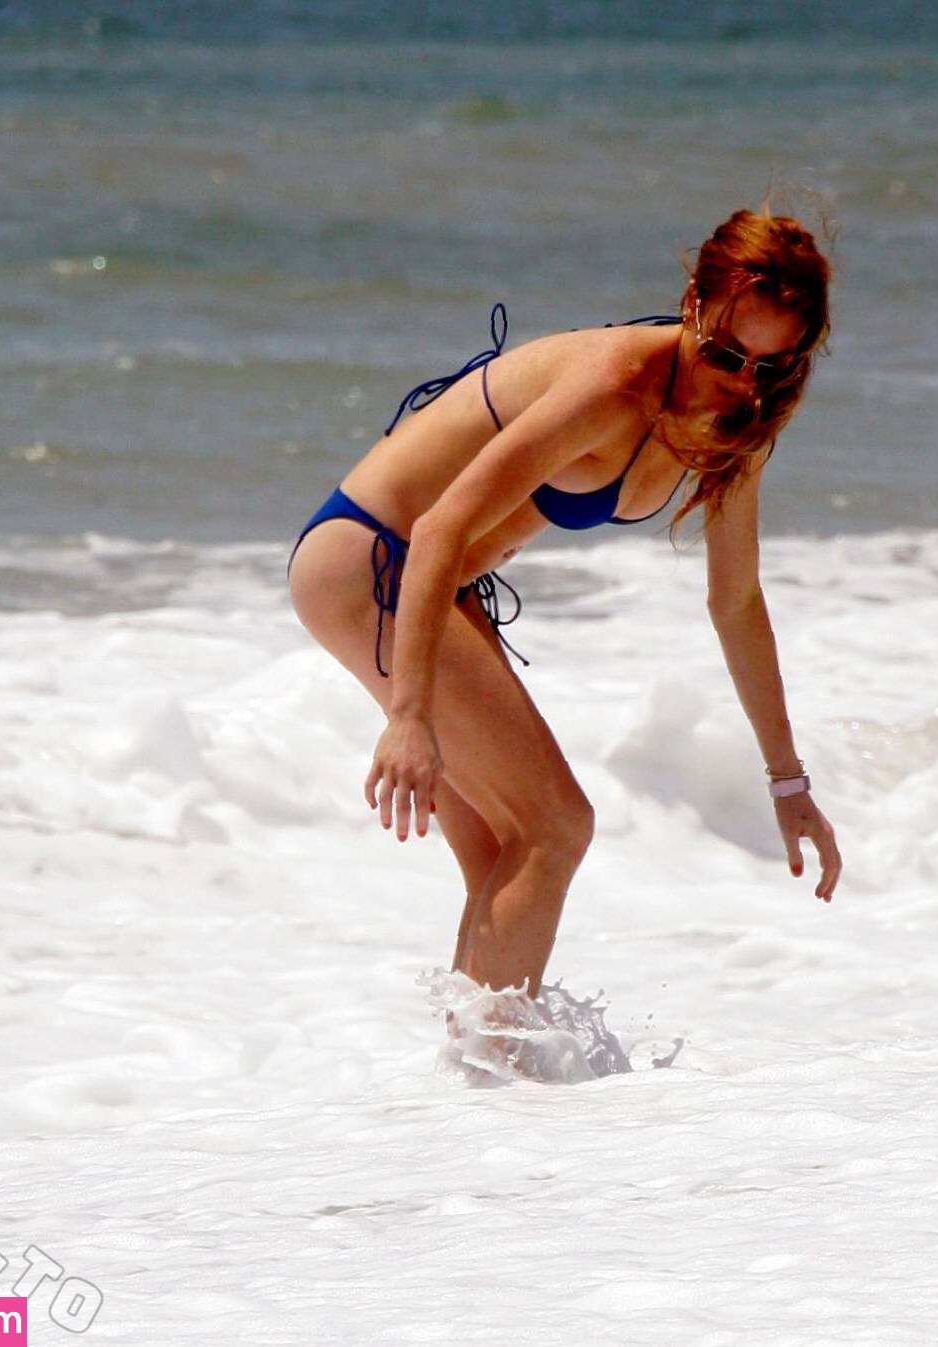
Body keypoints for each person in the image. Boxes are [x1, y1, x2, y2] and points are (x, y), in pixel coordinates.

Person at [286, 206, 842, 1003]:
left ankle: (473, 1070)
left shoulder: (738, 418)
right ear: (692, 302)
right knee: (555, 827)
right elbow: (440, 526)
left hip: (430, 581)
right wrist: (408, 713)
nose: (742, 381)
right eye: (725, 353)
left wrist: (787, 783)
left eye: (772, 366)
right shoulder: (611, 387)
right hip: (371, 562)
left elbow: (736, 600)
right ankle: (493, 1067)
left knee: (503, 849)